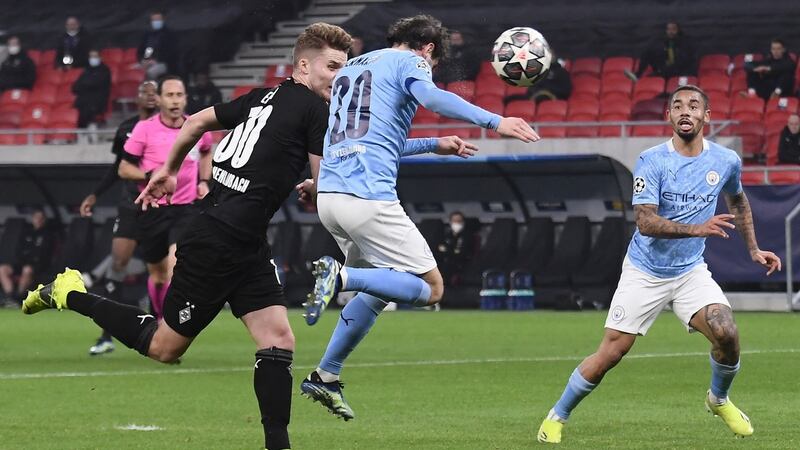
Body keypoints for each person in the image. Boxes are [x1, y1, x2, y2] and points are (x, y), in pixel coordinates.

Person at [23, 22, 354, 450]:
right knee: (164, 348)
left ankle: (279, 446)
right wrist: (329, 197)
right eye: (332, 67)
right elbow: (324, 183)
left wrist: (169, 168)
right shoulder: (314, 109)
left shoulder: (263, 96)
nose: (339, 76)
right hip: (216, 242)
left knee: (278, 338)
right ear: (304, 65)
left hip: (244, 241)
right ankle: (70, 293)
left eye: (343, 68)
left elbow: (197, 122)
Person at [295, 14, 539, 421]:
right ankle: (340, 277)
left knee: (379, 291)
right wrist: (496, 121)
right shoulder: (412, 60)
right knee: (431, 289)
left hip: (332, 197)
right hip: (368, 198)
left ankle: (326, 374)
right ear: (427, 48)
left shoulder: (356, 66)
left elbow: (375, 140)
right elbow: (433, 98)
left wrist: (433, 144)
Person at [536, 85, 782, 444]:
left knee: (726, 332)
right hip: (644, 271)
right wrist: (698, 228)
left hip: (689, 272)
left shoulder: (726, 161)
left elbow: (739, 202)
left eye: (694, 105)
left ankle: (718, 399)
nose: (685, 111)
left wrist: (754, 250)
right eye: (678, 106)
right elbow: (645, 222)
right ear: (668, 116)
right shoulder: (652, 160)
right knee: (611, 354)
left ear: (706, 116)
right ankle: (556, 416)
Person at [118, 75, 212, 320]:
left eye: (179, 95)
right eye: (169, 95)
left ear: (185, 99)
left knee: (174, 270)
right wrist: (149, 174)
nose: (175, 101)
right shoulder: (145, 129)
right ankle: (159, 319)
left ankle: (171, 326)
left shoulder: (196, 126)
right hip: (153, 209)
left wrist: (203, 180)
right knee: (158, 275)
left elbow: (205, 151)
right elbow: (123, 168)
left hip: (185, 209)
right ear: (159, 99)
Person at [78, 80, 158, 355]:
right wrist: (94, 194)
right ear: (136, 98)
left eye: (154, 92)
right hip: (130, 205)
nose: (150, 96)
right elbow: (117, 167)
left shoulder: (171, 129)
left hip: (162, 206)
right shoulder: (126, 128)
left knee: (161, 270)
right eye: (145, 92)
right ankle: (106, 335)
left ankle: (161, 332)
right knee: (117, 265)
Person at [0, 209, 54, 307]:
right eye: (36, 218)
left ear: (44, 220)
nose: (38, 220)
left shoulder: (48, 235)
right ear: (33, 219)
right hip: (21, 264)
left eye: (41, 218)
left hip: (37, 265)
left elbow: (46, 255)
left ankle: (18, 298)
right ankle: (10, 297)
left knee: (27, 269)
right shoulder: (26, 233)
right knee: (3, 269)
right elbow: (19, 251)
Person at [629, 22, 696, 80]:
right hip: (665, 68)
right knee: (647, 53)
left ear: (678, 30)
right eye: (668, 29)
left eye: (673, 29)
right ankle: (638, 74)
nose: (671, 32)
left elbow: (683, 60)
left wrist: (664, 70)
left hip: (679, 70)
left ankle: (660, 74)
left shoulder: (685, 42)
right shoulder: (663, 41)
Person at [72, 49, 112, 128]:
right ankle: (81, 133)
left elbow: (95, 84)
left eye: (95, 56)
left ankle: (88, 132)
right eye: (91, 56)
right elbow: (75, 87)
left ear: (100, 57)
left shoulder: (104, 70)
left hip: (97, 101)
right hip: (83, 101)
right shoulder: (87, 70)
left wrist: (84, 85)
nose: (92, 59)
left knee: (88, 110)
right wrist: (85, 85)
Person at [436, 211, 476, 285]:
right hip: (444, 263)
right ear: (450, 222)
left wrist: (447, 250)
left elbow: (462, 252)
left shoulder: (467, 236)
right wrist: (450, 250)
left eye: (459, 221)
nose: (456, 223)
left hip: (461, 264)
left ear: (463, 222)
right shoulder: (447, 235)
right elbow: (439, 249)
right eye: (454, 221)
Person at [137, 11, 178, 80]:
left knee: (150, 72)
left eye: (158, 20)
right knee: (130, 70)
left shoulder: (170, 35)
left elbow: (171, 53)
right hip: (148, 62)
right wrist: (145, 60)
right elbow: (147, 50)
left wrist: (156, 60)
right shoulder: (149, 35)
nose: (156, 22)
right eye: (154, 20)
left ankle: (150, 90)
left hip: (164, 63)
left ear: (163, 20)